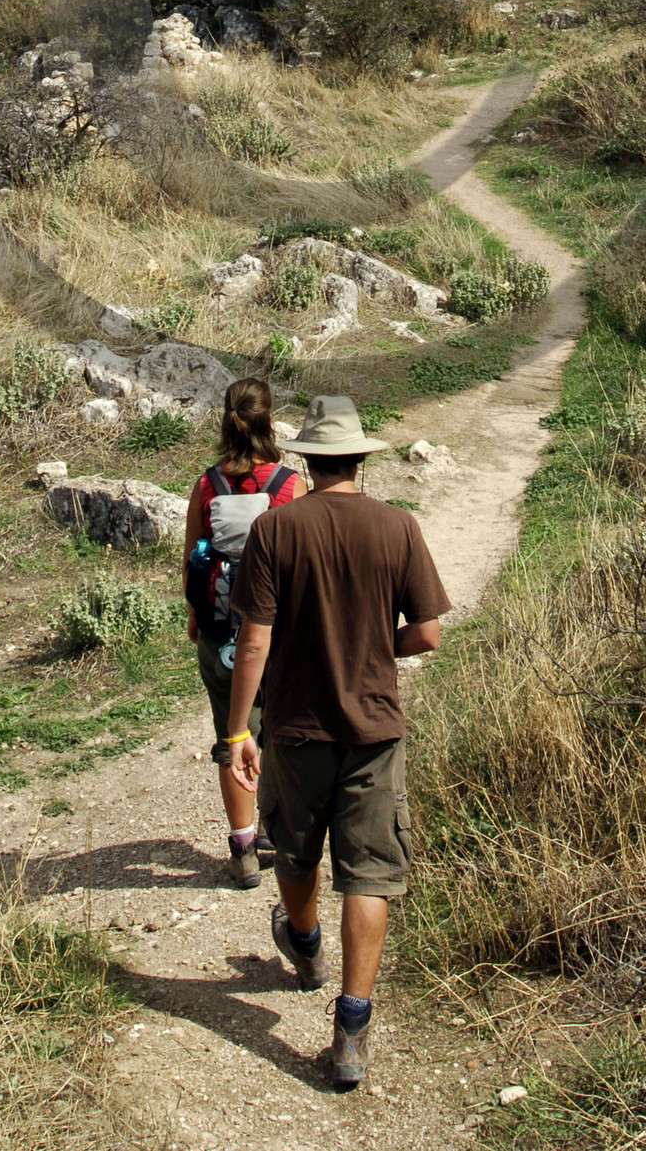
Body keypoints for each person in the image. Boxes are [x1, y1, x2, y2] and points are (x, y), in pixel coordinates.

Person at [225, 393, 449, 1091]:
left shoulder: (277, 529)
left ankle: (306, 943)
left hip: (295, 726)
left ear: (311, 461)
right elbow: (428, 633)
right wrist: (371, 643)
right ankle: (352, 1025)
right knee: (369, 873)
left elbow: (254, 638)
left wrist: (237, 729)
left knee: (294, 849)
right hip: (375, 727)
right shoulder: (397, 526)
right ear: (359, 456)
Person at [184, 377, 305, 887]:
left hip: (219, 631)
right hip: (278, 631)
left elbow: (193, 554)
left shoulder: (208, 483)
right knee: (277, 729)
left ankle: (243, 846)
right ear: (269, 419)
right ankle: (276, 830)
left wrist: (195, 614)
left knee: (230, 734)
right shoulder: (290, 485)